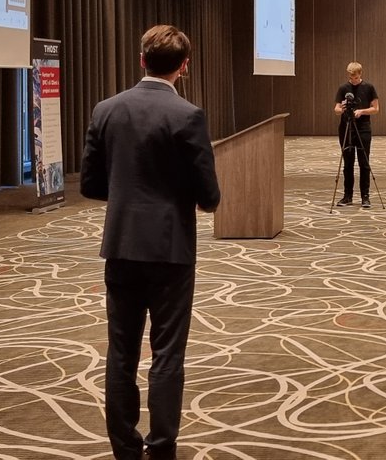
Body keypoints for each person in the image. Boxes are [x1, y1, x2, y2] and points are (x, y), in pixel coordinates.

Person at [81, 25, 222, 460]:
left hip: (121, 245)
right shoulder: (188, 115)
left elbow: (90, 185)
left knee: (121, 352)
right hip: (170, 249)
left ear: (141, 59)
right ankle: (161, 449)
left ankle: (125, 449)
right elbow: (210, 197)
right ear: (184, 66)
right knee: (168, 354)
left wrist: (127, 193)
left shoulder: (106, 109)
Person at [333, 62, 381, 208]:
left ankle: (365, 196)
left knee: (364, 163)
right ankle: (347, 196)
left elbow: (376, 109)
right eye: (350, 77)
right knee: (348, 164)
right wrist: (342, 108)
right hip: (346, 128)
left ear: (360, 74)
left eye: (355, 77)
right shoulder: (343, 88)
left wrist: (362, 111)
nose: (353, 80)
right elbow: (336, 110)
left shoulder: (369, 87)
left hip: (363, 129)